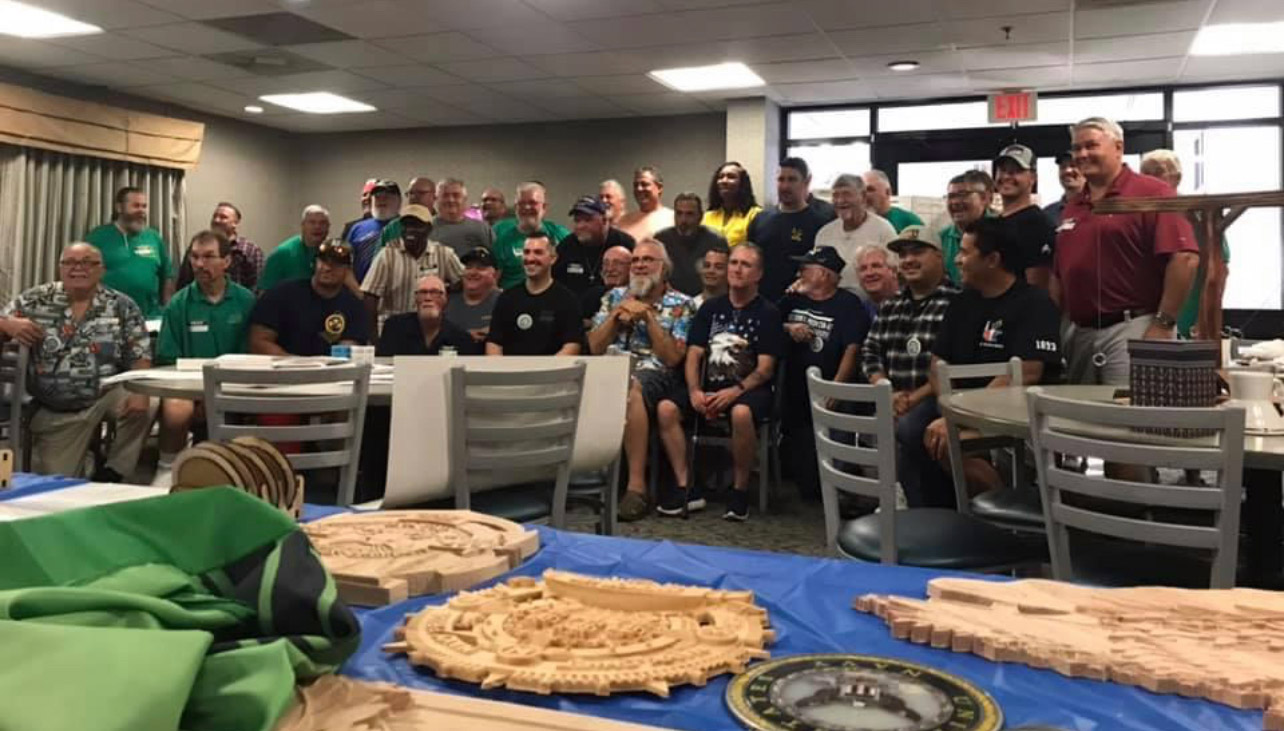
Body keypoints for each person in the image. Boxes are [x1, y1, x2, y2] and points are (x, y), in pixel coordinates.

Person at [911, 217, 1062, 507]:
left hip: (1019, 418)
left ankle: (1007, 518)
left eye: (966, 252)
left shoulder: (1035, 304)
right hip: (962, 409)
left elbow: (1027, 373)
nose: (957, 259)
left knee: (948, 443)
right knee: (917, 429)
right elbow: (937, 364)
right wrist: (951, 410)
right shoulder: (962, 302)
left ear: (992, 259)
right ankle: (941, 512)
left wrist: (959, 418)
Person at [1055, 117, 1198, 387]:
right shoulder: (1074, 205)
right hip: (1079, 333)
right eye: (1076, 148)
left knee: (1130, 420)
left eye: (1091, 145)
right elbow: (1060, 272)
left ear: (1118, 147)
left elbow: (1185, 258)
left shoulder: (1153, 193)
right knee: (1081, 422)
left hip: (1134, 329)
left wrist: (1163, 324)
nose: (1082, 154)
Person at [1, 243, 152, 481]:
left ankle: (114, 471)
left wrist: (141, 394)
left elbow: (140, 353)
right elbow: (3, 320)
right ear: (60, 268)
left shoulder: (122, 305)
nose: (78, 268)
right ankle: (89, 459)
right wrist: (6, 324)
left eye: (87, 262)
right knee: (60, 488)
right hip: (57, 410)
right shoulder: (36, 300)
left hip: (106, 394)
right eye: (70, 262)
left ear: (101, 270)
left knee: (148, 401)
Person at [665, 243, 783, 522]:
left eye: (745, 265)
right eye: (734, 263)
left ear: (758, 274)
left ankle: (739, 490)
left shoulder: (768, 312)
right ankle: (686, 487)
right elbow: (694, 355)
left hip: (748, 389)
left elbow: (766, 369)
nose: (737, 269)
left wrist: (735, 392)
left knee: (741, 413)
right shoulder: (710, 309)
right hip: (707, 386)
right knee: (666, 408)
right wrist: (694, 390)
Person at [587, 239, 696, 521]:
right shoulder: (614, 297)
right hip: (608, 368)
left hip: (655, 374)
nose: (639, 266)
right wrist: (616, 315)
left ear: (664, 270)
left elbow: (673, 357)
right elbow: (594, 347)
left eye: (648, 260)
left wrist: (648, 317)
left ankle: (636, 487)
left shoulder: (682, 304)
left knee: (631, 387)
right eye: (635, 260)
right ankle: (575, 477)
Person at [154, 230, 256, 481]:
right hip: (188, 387)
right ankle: (166, 468)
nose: (200, 264)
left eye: (209, 257)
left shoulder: (246, 301)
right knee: (176, 409)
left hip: (236, 384)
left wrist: (215, 395)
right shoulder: (178, 304)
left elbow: (252, 354)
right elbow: (167, 359)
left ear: (227, 262)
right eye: (195, 257)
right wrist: (199, 396)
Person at [778, 246, 869, 501]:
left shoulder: (848, 304)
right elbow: (770, 321)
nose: (800, 273)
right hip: (796, 391)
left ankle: (842, 484)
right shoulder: (793, 298)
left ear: (825, 274)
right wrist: (788, 327)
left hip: (832, 389)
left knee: (831, 471)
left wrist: (836, 388)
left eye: (806, 268)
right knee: (807, 487)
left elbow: (853, 349)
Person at [862, 225, 959, 422]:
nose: (908, 260)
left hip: (938, 404)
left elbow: (955, 364)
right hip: (889, 401)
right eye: (903, 254)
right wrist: (885, 389)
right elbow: (870, 351)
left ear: (939, 256)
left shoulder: (958, 303)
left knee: (908, 428)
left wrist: (912, 400)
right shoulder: (890, 305)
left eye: (917, 252)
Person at [1140, 149, 1230, 340]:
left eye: (1157, 172)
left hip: (1188, 314)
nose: (1149, 179)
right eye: (1144, 174)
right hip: (1144, 317)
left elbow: (1219, 271)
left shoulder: (1199, 215)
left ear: (1177, 177)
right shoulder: (1138, 215)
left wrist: (1204, 321)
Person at [250, 240, 370, 356]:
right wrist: (296, 365)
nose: (327, 268)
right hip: (282, 371)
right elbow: (259, 341)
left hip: (330, 372)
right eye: (323, 261)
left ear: (348, 270)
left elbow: (352, 345)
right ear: (314, 263)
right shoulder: (281, 294)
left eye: (337, 264)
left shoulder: (353, 306)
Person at [361, 204, 464, 332]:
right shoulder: (387, 255)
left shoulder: (443, 254)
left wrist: (445, 290)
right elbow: (370, 297)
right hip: (394, 328)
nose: (410, 229)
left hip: (431, 328)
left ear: (428, 229)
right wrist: (374, 339)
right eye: (406, 225)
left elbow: (464, 282)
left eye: (416, 225)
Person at [749, 157, 837, 301]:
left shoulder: (820, 223)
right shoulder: (760, 219)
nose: (785, 186)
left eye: (792, 180)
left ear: (806, 182)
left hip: (802, 303)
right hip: (763, 301)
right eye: (781, 179)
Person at [485, 233, 582, 356]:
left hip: (551, 372)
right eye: (526, 252)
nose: (530, 259)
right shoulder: (507, 298)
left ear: (553, 258)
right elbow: (494, 343)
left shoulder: (568, 300)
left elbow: (572, 345)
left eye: (538, 252)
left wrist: (547, 372)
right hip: (509, 372)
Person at [85, 186, 174, 319]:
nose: (141, 211)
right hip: (108, 319)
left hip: (149, 318)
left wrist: (168, 310)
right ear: (119, 208)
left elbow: (167, 276)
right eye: (136, 206)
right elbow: (84, 275)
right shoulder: (98, 237)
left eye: (144, 206)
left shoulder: (154, 237)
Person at [814, 174, 897, 297]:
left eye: (846, 194)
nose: (840, 201)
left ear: (863, 197)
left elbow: (894, 272)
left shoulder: (883, 229)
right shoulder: (824, 234)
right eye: (836, 195)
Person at [554, 196, 636, 319]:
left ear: (604, 220)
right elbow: (556, 285)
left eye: (587, 220)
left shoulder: (624, 243)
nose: (581, 226)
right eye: (577, 221)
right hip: (574, 316)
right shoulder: (566, 246)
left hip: (616, 314)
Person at [993, 144, 1056, 289]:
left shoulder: (1039, 224)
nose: (1007, 177)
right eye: (1003, 170)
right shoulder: (994, 223)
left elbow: (1038, 288)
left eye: (1016, 171)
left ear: (1032, 178)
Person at [491, 182, 572, 290]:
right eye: (521, 203)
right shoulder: (502, 237)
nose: (527, 207)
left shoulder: (560, 234)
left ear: (544, 207)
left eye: (532, 203)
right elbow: (492, 283)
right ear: (516, 207)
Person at [377, 275, 480, 356]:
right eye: (422, 292)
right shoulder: (394, 328)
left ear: (445, 299)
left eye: (435, 292)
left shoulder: (461, 338)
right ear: (415, 299)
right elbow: (384, 367)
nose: (428, 298)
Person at [176, 202, 264, 291]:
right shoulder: (196, 247)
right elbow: (184, 282)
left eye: (223, 217)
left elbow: (258, 285)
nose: (217, 220)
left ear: (235, 223)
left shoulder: (251, 250)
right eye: (214, 216)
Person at [655, 192, 727, 297]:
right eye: (679, 213)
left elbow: (724, 280)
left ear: (700, 216)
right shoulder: (661, 240)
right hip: (669, 301)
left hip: (706, 301)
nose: (683, 220)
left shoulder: (715, 241)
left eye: (689, 214)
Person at [259, 205, 333, 292]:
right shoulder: (282, 254)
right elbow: (264, 294)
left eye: (322, 223)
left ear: (328, 227)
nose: (317, 227)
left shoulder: (335, 252)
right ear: (303, 225)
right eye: (312, 222)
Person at [939, 169, 995, 283]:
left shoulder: (1003, 232)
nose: (955, 202)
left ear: (984, 198)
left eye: (962, 195)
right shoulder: (940, 239)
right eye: (951, 196)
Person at [346, 179, 401, 282]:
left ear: (398, 201)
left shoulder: (407, 227)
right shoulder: (357, 229)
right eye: (377, 197)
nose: (381, 200)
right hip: (360, 291)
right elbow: (345, 266)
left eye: (386, 197)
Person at [444, 247, 501, 342]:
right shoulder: (447, 302)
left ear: (494, 274)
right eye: (468, 267)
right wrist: (464, 336)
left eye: (480, 268)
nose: (473, 272)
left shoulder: (505, 302)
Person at [701, 162, 762, 246]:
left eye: (731, 177)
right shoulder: (707, 216)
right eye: (720, 177)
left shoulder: (755, 215)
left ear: (742, 183)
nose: (724, 181)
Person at [429, 178, 493, 257]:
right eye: (445, 196)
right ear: (436, 199)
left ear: (465, 199)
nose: (451, 200)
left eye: (456, 196)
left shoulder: (482, 229)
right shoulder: (425, 228)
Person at [377, 176, 438, 247]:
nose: (414, 197)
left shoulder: (442, 225)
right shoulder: (392, 228)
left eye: (421, 193)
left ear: (434, 197)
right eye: (411, 193)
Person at [617, 166, 675, 241]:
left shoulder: (672, 218)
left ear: (659, 188)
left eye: (644, 184)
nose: (639, 189)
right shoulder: (623, 220)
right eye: (636, 185)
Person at [854, 245, 901, 321]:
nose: (869, 273)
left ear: (894, 271)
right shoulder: (859, 312)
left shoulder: (910, 305)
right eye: (863, 269)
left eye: (876, 266)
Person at [1043, 151, 1084, 227]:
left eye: (1073, 165)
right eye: (1063, 167)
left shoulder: (1099, 209)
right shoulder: (1048, 214)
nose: (1067, 171)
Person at [692, 246, 730, 310]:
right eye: (707, 266)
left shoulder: (737, 307)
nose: (711, 271)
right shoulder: (689, 306)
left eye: (718, 267)